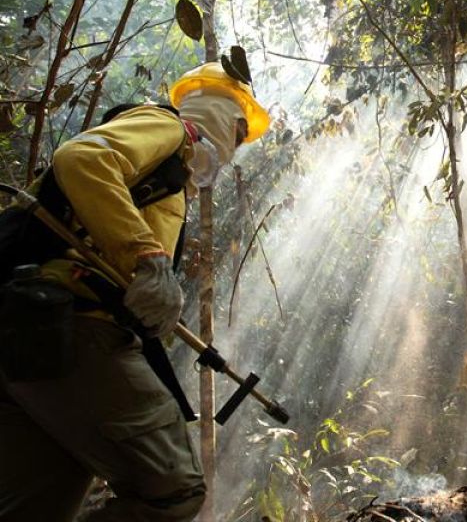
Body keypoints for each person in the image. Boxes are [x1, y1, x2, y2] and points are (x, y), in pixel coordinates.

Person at [0, 60, 269, 521]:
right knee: (174, 491)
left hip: (31, 333)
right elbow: (82, 159)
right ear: (226, 117)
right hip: (74, 329)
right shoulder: (169, 127)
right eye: (241, 133)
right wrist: (149, 257)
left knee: (40, 502)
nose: (236, 147)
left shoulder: (170, 179)